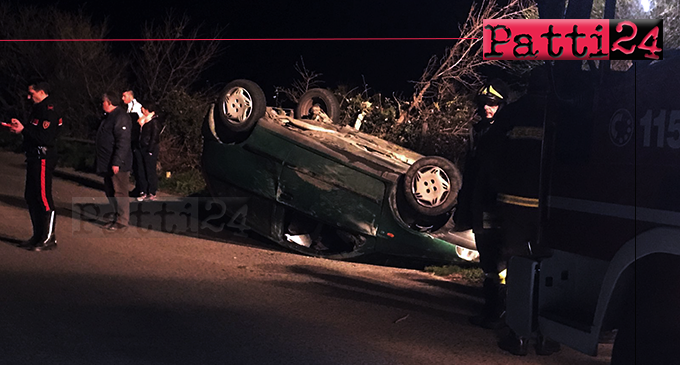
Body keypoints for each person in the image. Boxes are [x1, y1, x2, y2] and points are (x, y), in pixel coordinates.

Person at [490, 66, 561, 356]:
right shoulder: (561, 115)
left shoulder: (512, 112)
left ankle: (518, 334)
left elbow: (491, 152)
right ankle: (545, 337)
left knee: (515, 267)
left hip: (513, 203)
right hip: (549, 207)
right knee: (548, 269)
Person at [452, 78, 511, 330]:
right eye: (485, 104)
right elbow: (472, 170)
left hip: (496, 205)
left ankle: (499, 309)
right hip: (478, 202)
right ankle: (492, 308)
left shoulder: (507, 132)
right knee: (487, 259)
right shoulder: (478, 130)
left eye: (493, 104)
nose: (488, 108)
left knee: (499, 262)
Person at [2, 81, 62, 251]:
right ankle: (37, 235)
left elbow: (45, 138)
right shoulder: (37, 109)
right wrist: (20, 128)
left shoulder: (49, 110)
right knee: (31, 196)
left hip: (43, 157)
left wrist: (24, 130)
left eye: (31, 93)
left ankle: (49, 237)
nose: (28, 97)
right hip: (33, 156)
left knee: (43, 197)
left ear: (41, 92)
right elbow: (33, 131)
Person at [96, 91, 132, 231]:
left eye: (103, 102)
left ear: (109, 102)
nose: (102, 104)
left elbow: (123, 142)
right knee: (110, 191)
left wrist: (117, 161)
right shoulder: (109, 117)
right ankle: (116, 217)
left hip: (117, 163)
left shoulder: (121, 117)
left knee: (120, 192)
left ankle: (122, 220)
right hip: (107, 161)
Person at [133, 101, 161, 201]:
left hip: (149, 148)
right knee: (141, 169)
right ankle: (143, 191)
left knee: (150, 170)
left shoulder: (154, 121)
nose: (141, 109)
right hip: (140, 147)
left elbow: (155, 137)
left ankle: (152, 191)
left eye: (143, 108)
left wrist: (150, 150)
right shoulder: (142, 119)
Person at [122, 90, 145, 197]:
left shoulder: (137, 107)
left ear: (130, 96)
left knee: (138, 164)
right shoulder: (128, 108)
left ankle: (141, 188)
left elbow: (142, 122)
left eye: (124, 96)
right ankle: (138, 187)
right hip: (131, 139)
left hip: (136, 139)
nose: (123, 98)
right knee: (134, 165)